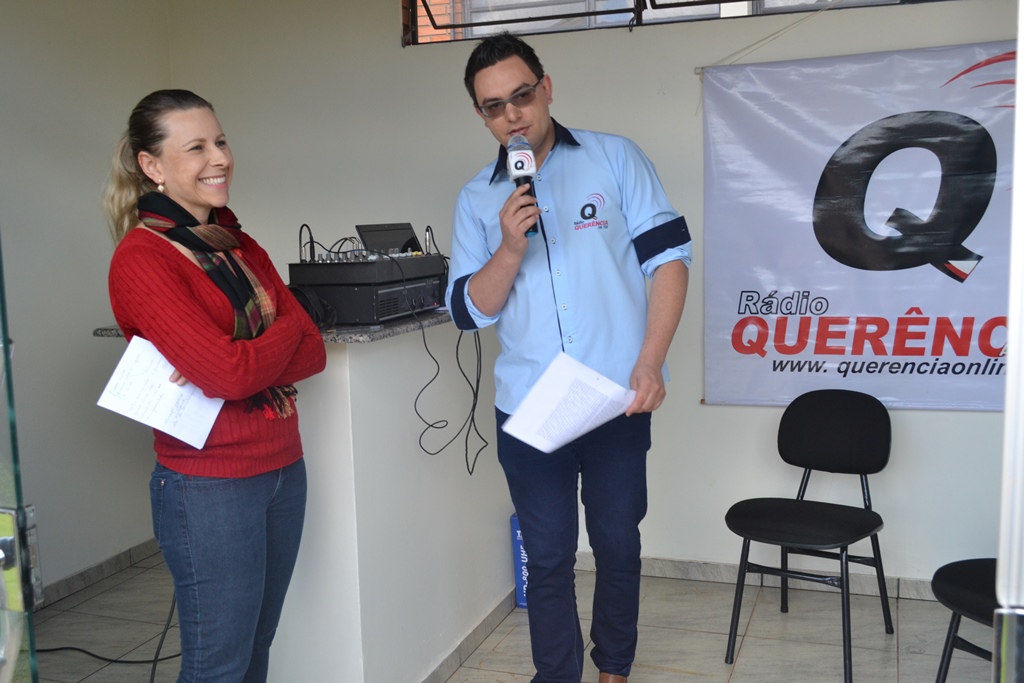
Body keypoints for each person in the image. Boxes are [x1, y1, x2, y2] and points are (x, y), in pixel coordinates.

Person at [446, 34, 692, 683]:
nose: (512, 115)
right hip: (530, 409)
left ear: (546, 88)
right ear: (482, 116)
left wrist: (651, 361)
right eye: (494, 106)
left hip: (616, 397)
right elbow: (469, 312)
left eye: (522, 96)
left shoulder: (616, 158)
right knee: (548, 556)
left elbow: (669, 260)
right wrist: (508, 248)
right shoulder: (477, 199)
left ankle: (614, 668)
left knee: (617, 543)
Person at [103, 89, 326, 683]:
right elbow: (229, 373)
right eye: (196, 147)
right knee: (219, 665)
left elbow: (314, 351)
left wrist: (240, 351)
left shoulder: (239, 244)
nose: (219, 157)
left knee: (258, 645)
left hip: (284, 467)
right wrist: (281, 330)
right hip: (208, 486)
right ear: (152, 165)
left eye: (220, 141)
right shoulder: (142, 258)